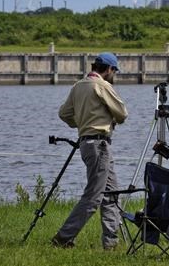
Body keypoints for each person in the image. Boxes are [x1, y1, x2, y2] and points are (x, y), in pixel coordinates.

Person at [51, 52, 128, 250]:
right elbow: (122, 114)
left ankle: (111, 243)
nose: (114, 75)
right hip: (100, 145)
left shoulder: (79, 85)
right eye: (114, 71)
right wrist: (98, 122)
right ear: (109, 69)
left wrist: (82, 123)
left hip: (87, 143)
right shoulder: (102, 86)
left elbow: (64, 113)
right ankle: (63, 237)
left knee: (111, 193)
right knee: (94, 196)